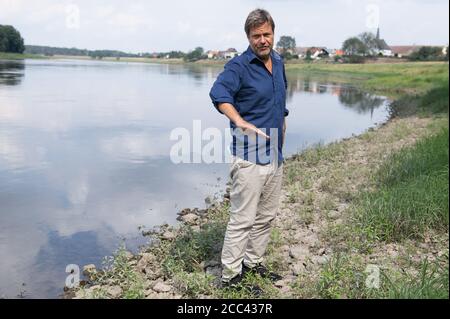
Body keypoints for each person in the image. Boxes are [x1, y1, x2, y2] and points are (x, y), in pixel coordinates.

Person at [209, 8, 289, 291]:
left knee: (266, 216)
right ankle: (230, 277)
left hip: (275, 156)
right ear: (248, 37)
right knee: (242, 219)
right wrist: (239, 120)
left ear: (273, 34)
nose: (263, 40)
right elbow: (219, 94)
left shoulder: (278, 62)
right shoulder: (238, 66)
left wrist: (283, 132)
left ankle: (253, 263)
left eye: (267, 34)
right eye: (257, 36)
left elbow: (281, 104)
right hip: (248, 155)